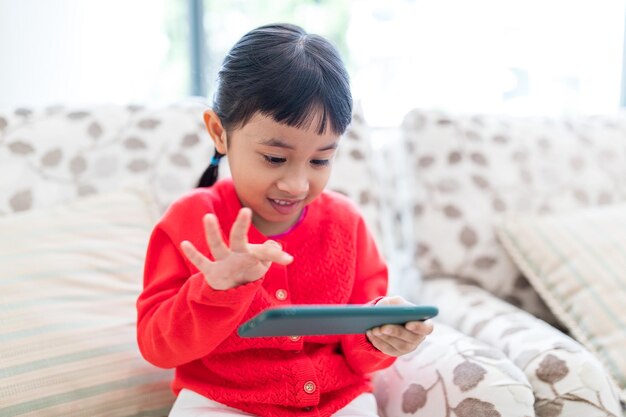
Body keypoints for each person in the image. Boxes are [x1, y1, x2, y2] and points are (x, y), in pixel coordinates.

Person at [136, 23, 433, 417]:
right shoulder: (190, 220)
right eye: (274, 158)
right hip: (221, 399)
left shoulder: (347, 224)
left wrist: (384, 339)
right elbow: (158, 346)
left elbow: (361, 355)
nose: (296, 183)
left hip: (335, 400)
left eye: (320, 160)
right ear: (219, 132)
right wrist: (215, 290)